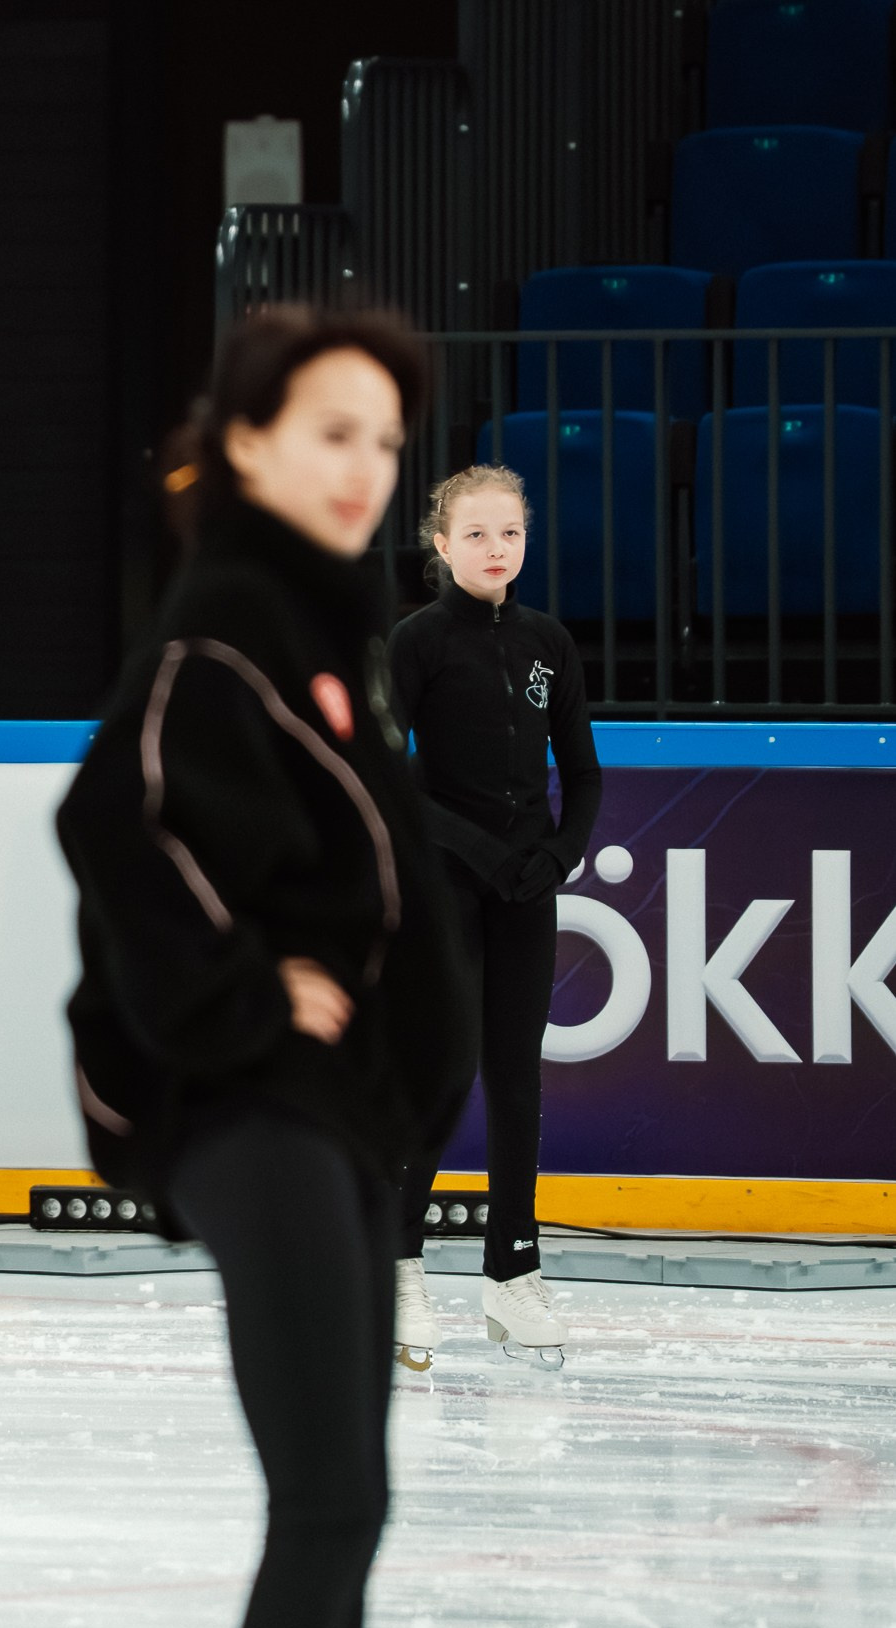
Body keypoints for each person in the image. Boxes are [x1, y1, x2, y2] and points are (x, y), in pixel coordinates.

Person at [56, 308, 470, 1628]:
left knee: (351, 1502)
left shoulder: (322, 632)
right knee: (332, 1500)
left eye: (388, 443)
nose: (366, 468)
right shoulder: (229, 619)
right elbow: (117, 814)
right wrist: (241, 1000)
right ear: (247, 443)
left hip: (336, 1112)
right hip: (256, 1103)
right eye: (332, 433)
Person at [387, 465, 600, 1371]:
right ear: (441, 544)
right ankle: (399, 1266)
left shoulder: (550, 641)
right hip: (445, 885)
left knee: (516, 1079)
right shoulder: (418, 640)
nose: (494, 548)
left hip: (526, 886)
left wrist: (554, 856)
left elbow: (582, 771)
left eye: (508, 532)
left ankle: (513, 1270)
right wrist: (478, 855)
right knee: (440, 1073)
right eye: (475, 534)